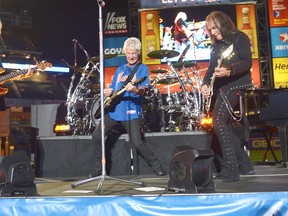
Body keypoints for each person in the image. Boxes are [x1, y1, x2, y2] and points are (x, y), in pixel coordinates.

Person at [90, 37, 166, 177]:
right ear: (125, 53)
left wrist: (134, 90)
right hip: (114, 111)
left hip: (130, 111)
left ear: (138, 53)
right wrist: (108, 92)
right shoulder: (120, 69)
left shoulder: (142, 69)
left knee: (137, 142)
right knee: (96, 136)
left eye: (134, 53)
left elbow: (143, 91)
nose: (131, 56)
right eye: (129, 53)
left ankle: (157, 166)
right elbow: (114, 89)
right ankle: (98, 169)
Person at [200, 11, 255, 182]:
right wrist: (205, 84)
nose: (213, 32)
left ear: (222, 23)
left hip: (237, 85)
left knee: (218, 122)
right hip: (222, 88)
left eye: (214, 27)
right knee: (222, 127)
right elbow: (211, 68)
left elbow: (247, 62)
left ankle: (231, 170)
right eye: (210, 29)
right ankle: (245, 166)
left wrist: (229, 70)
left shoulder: (240, 38)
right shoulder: (215, 45)